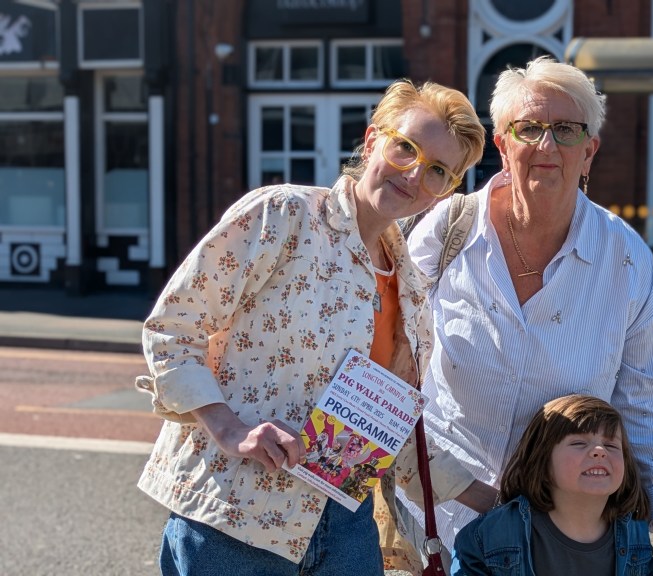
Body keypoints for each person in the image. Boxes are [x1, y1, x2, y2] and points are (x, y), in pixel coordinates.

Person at [134, 79, 486, 575]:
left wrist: (498, 498)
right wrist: (230, 429)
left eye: (436, 172)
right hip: (237, 517)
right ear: (371, 141)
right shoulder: (283, 216)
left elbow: (390, 432)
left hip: (343, 527)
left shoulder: (411, 286)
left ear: (443, 193)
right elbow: (173, 328)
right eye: (405, 147)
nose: (413, 174)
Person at [405, 56, 653, 574]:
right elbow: (393, 364)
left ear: (589, 151)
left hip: (556, 539)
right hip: (436, 522)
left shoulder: (624, 258)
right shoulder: (445, 234)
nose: (548, 147)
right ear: (502, 144)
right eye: (530, 128)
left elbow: (651, 404)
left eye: (567, 130)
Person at [451, 395, 653, 576]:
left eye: (612, 445)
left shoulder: (630, 528)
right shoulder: (499, 529)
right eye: (579, 443)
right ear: (541, 462)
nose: (599, 451)